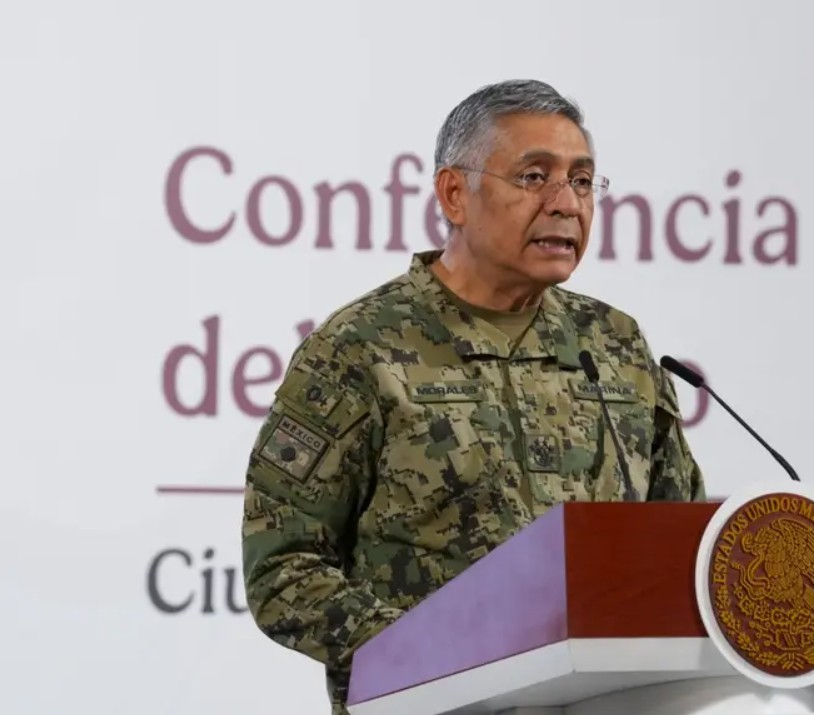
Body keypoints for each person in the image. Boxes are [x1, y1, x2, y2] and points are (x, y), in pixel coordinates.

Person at [239, 79, 706, 715]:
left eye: (581, 180)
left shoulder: (614, 345)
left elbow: (677, 545)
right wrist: (433, 650)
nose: (566, 203)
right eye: (535, 177)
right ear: (455, 194)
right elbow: (284, 569)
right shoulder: (360, 348)